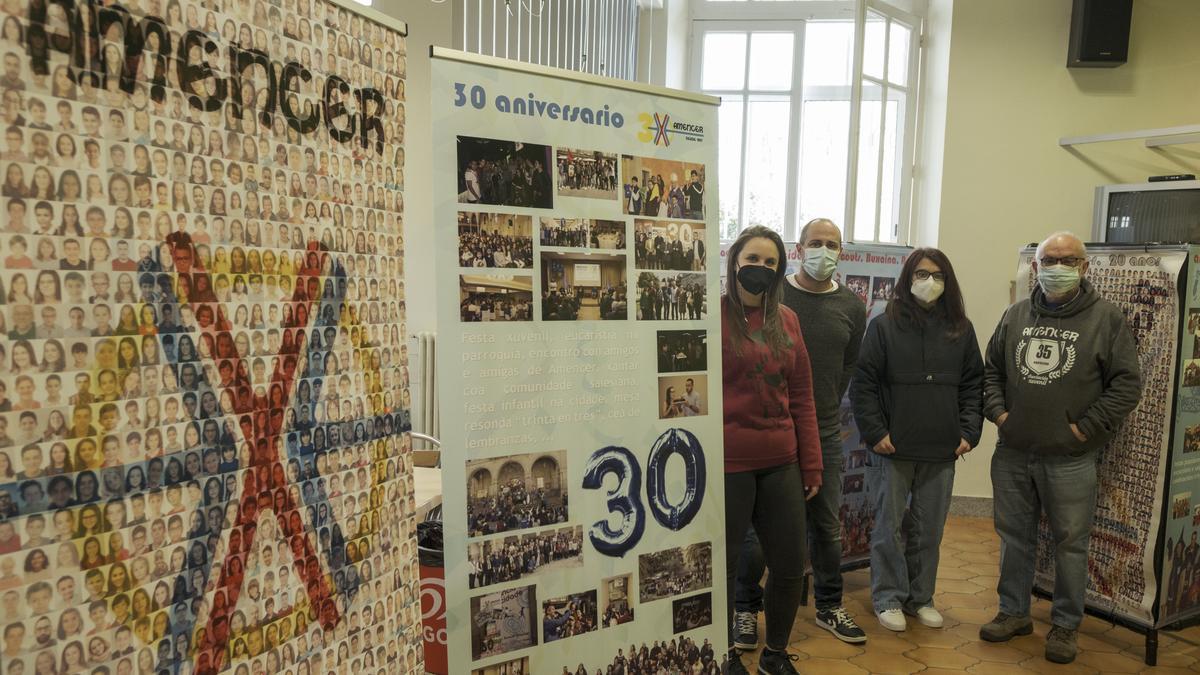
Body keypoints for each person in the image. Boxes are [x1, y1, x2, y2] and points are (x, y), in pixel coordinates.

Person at [980, 232, 1141, 664]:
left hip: (1070, 457)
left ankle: (1066, 627)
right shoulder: (1016, 315)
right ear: (1035, 265)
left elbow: (1127, 385)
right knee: (1014, 538)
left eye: (1068, 259)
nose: (1057, 266)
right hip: (1013, 452)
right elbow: (990, 371)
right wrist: (999, 415)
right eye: (1049, 258)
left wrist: (1085, 429)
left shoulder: (1106, 319)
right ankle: (1013, 612)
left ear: (1085, 267)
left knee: (1072, 544)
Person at [734, 219, 868, 648]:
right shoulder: (747, 304)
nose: (824, 251)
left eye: (832, 244)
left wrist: (813, 436)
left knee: (823, 530)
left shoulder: (838, 308)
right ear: (800, 247)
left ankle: (827, 608)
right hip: (747, 448)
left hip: (811, 436)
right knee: (751, 543)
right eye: (816, 243)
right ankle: (744, 609)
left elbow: (838, 371)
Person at [851, 247, 983, 632]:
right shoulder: (883, 325)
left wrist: (969, 432)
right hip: (893, 448)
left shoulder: (961, 329)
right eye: (922, 274)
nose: (930, 282)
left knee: (930, 529)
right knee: (888, 527)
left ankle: (920, 598)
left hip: (942, 448)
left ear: (949, 282)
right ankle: (888, 596)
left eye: (938, 275)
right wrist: (876, 433)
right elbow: (864, 385)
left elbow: (974, 383)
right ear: (908, 279)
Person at [721, 225, 821, 675]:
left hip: (782, 460)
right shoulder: (711, 314)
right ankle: (722, 654)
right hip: (728, 464)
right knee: (722, 568)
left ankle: (775, 655)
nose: (759, 269)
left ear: (780, 270)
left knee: (788, 565)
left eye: (770, 263)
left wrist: (812, 465)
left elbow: (802, 396)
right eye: (752, 260)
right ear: (733, 261)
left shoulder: (788, 320)